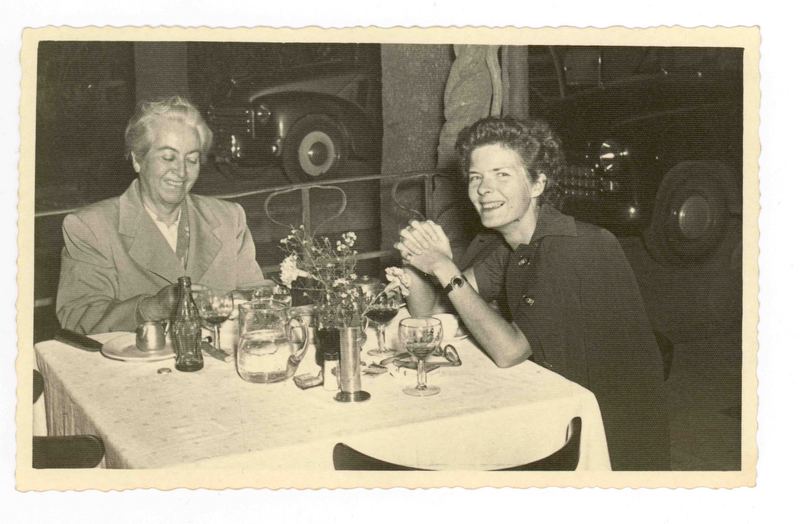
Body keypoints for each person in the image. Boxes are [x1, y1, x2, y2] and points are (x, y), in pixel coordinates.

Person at [393, 116, 670, 470]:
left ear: (538, 183)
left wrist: (445, 269)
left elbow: (509, 351)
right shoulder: (508, 245)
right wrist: (419, 264)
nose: (484, 189)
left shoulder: (569, 247)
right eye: (476, 177)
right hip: (555, 405)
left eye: (502, 175)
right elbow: (428, 317)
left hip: (608, 441)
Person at [56, 96, 265, 334]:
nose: (182, 172)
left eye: (192, 160)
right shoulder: (90, 227)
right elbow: (78, 319)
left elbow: (259, 295)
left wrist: (242, 302)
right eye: (168, 157)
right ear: (137, 159)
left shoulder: (229, 218)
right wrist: (151, 308)